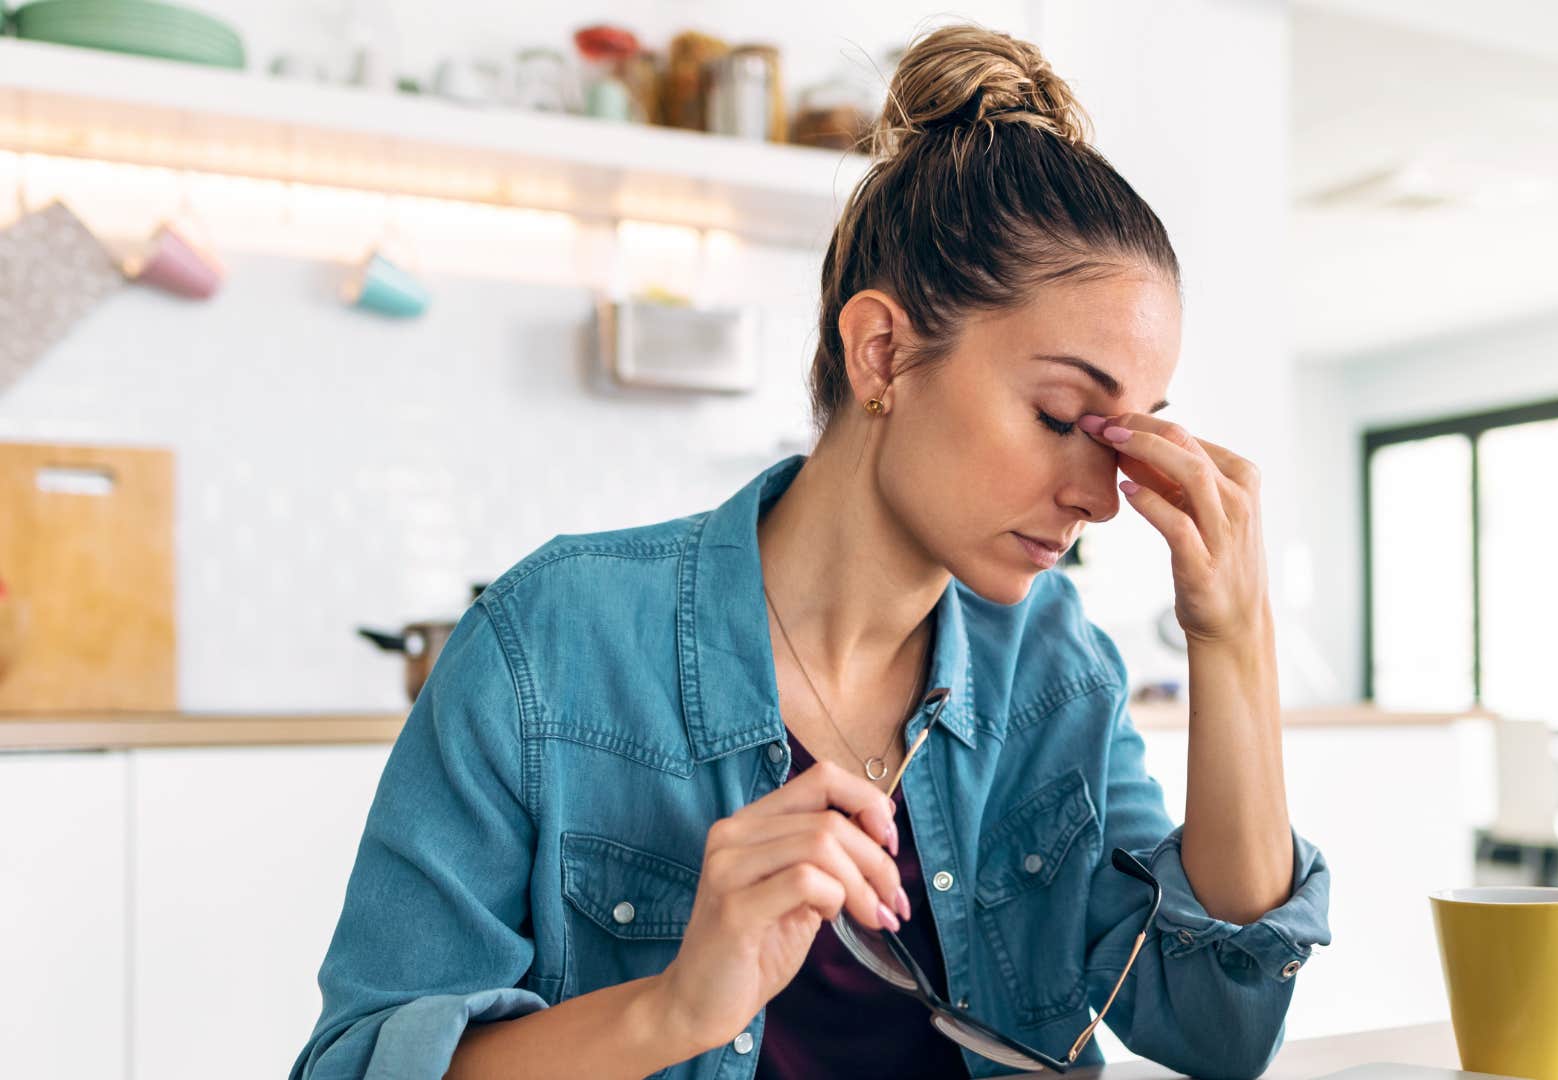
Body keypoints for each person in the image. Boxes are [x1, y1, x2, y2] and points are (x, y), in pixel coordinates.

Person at [290, 21, 1329, 1080]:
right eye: (1063, 416)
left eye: (1127, 433)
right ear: (882, 352)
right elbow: (354, 1067)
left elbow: (1220, 1029)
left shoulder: (1055, 667)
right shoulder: (549, 649)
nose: (1100, 497)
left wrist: (1234, 636)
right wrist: (673, 1008)